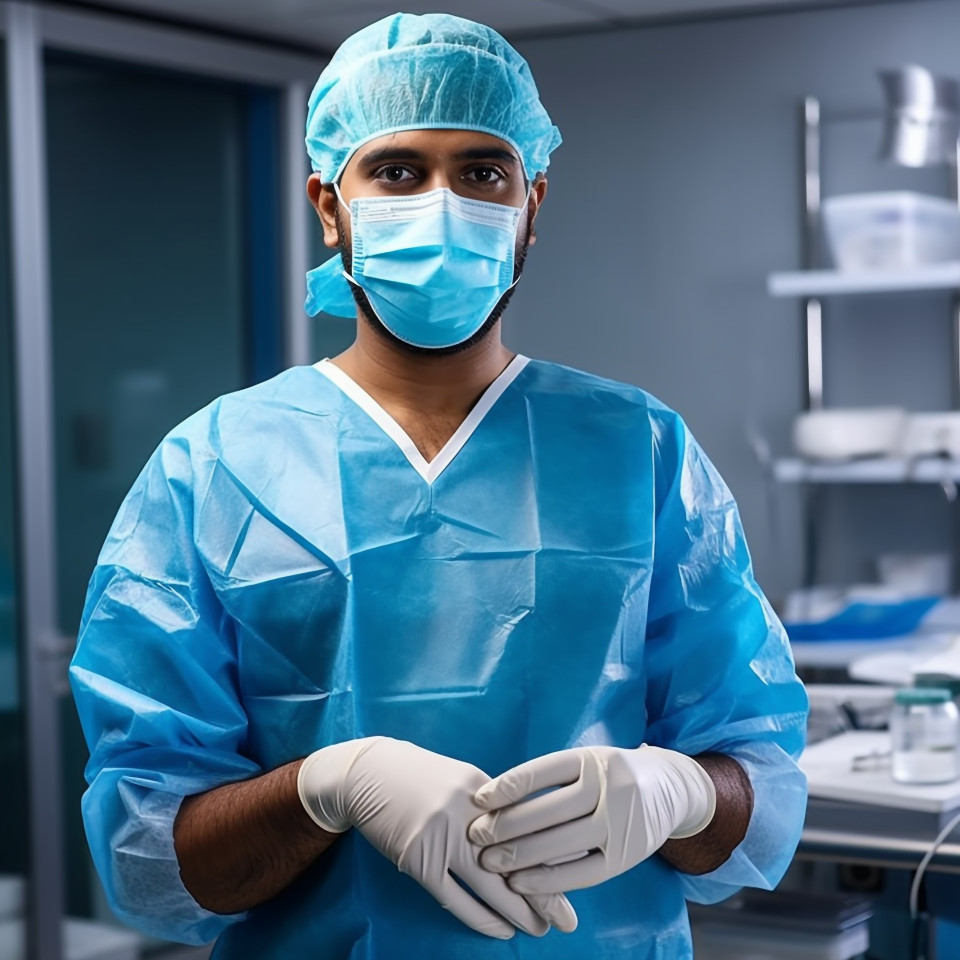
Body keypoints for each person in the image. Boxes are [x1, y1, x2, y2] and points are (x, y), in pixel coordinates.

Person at [70, 12, 808, 960]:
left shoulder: (642, 449)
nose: (444, 203)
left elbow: (760, 779)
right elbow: (153, 856)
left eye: (482, 173)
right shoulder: (212, 467)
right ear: (330, 206)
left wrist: (681, 791)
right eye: (399, 171)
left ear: (532, 204)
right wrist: (325, 786)